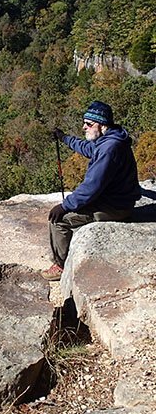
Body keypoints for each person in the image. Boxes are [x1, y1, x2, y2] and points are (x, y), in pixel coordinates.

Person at [44, 100, 141, 281]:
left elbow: (91, 187)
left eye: (89, 124)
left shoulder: (108, 149)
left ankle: (60, 265)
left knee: (58, 220)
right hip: (119, 202)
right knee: (64, 212)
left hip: (114, 207)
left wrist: (65, 206)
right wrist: (64, 138)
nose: (84, 127)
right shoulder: (110, 139)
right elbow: (87, 148)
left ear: (102, 125)